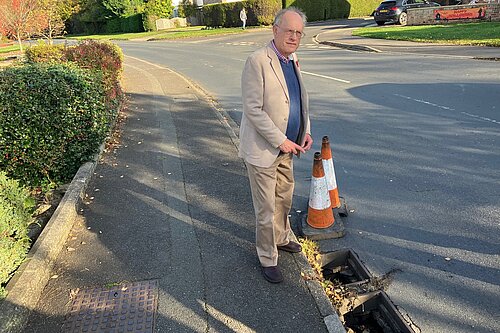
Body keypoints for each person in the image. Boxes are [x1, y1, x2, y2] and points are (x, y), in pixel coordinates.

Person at [239, 7, 313, 283]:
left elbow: (299, 100)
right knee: (266, 208)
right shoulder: (258, 60)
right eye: (289, 31)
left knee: (284, 198)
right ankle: (267, 257)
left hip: (290, 148)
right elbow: (253, 109)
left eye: (298, 33)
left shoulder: (293, 59)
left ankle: (282, 237)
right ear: (275, 30)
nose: (294, 37)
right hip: (264, 150)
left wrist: (305, 131)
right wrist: (281, 140)